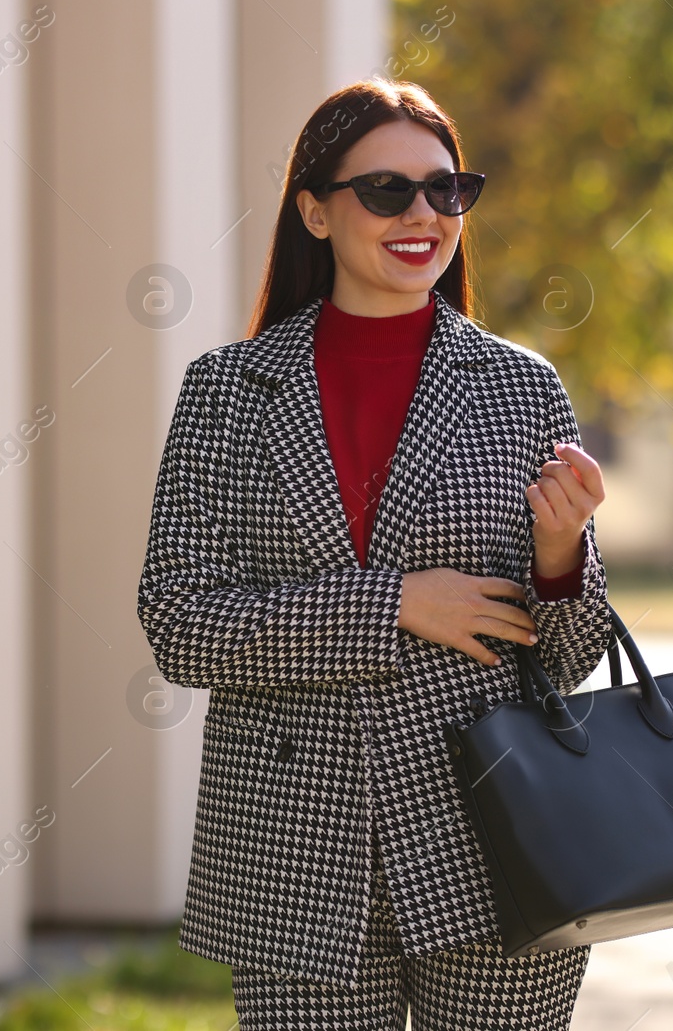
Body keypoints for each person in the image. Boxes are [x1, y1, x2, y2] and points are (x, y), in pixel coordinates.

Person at [136, 77, 614, 1030]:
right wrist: (392, 601)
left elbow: (564, 660)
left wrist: (562, 557)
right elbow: (180, 624)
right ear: (314, 209)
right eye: (387, 191)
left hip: (494, 848)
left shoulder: (520, 388)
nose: (423, 215)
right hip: (292, 859)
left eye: (445, 190)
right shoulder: (228, 392)